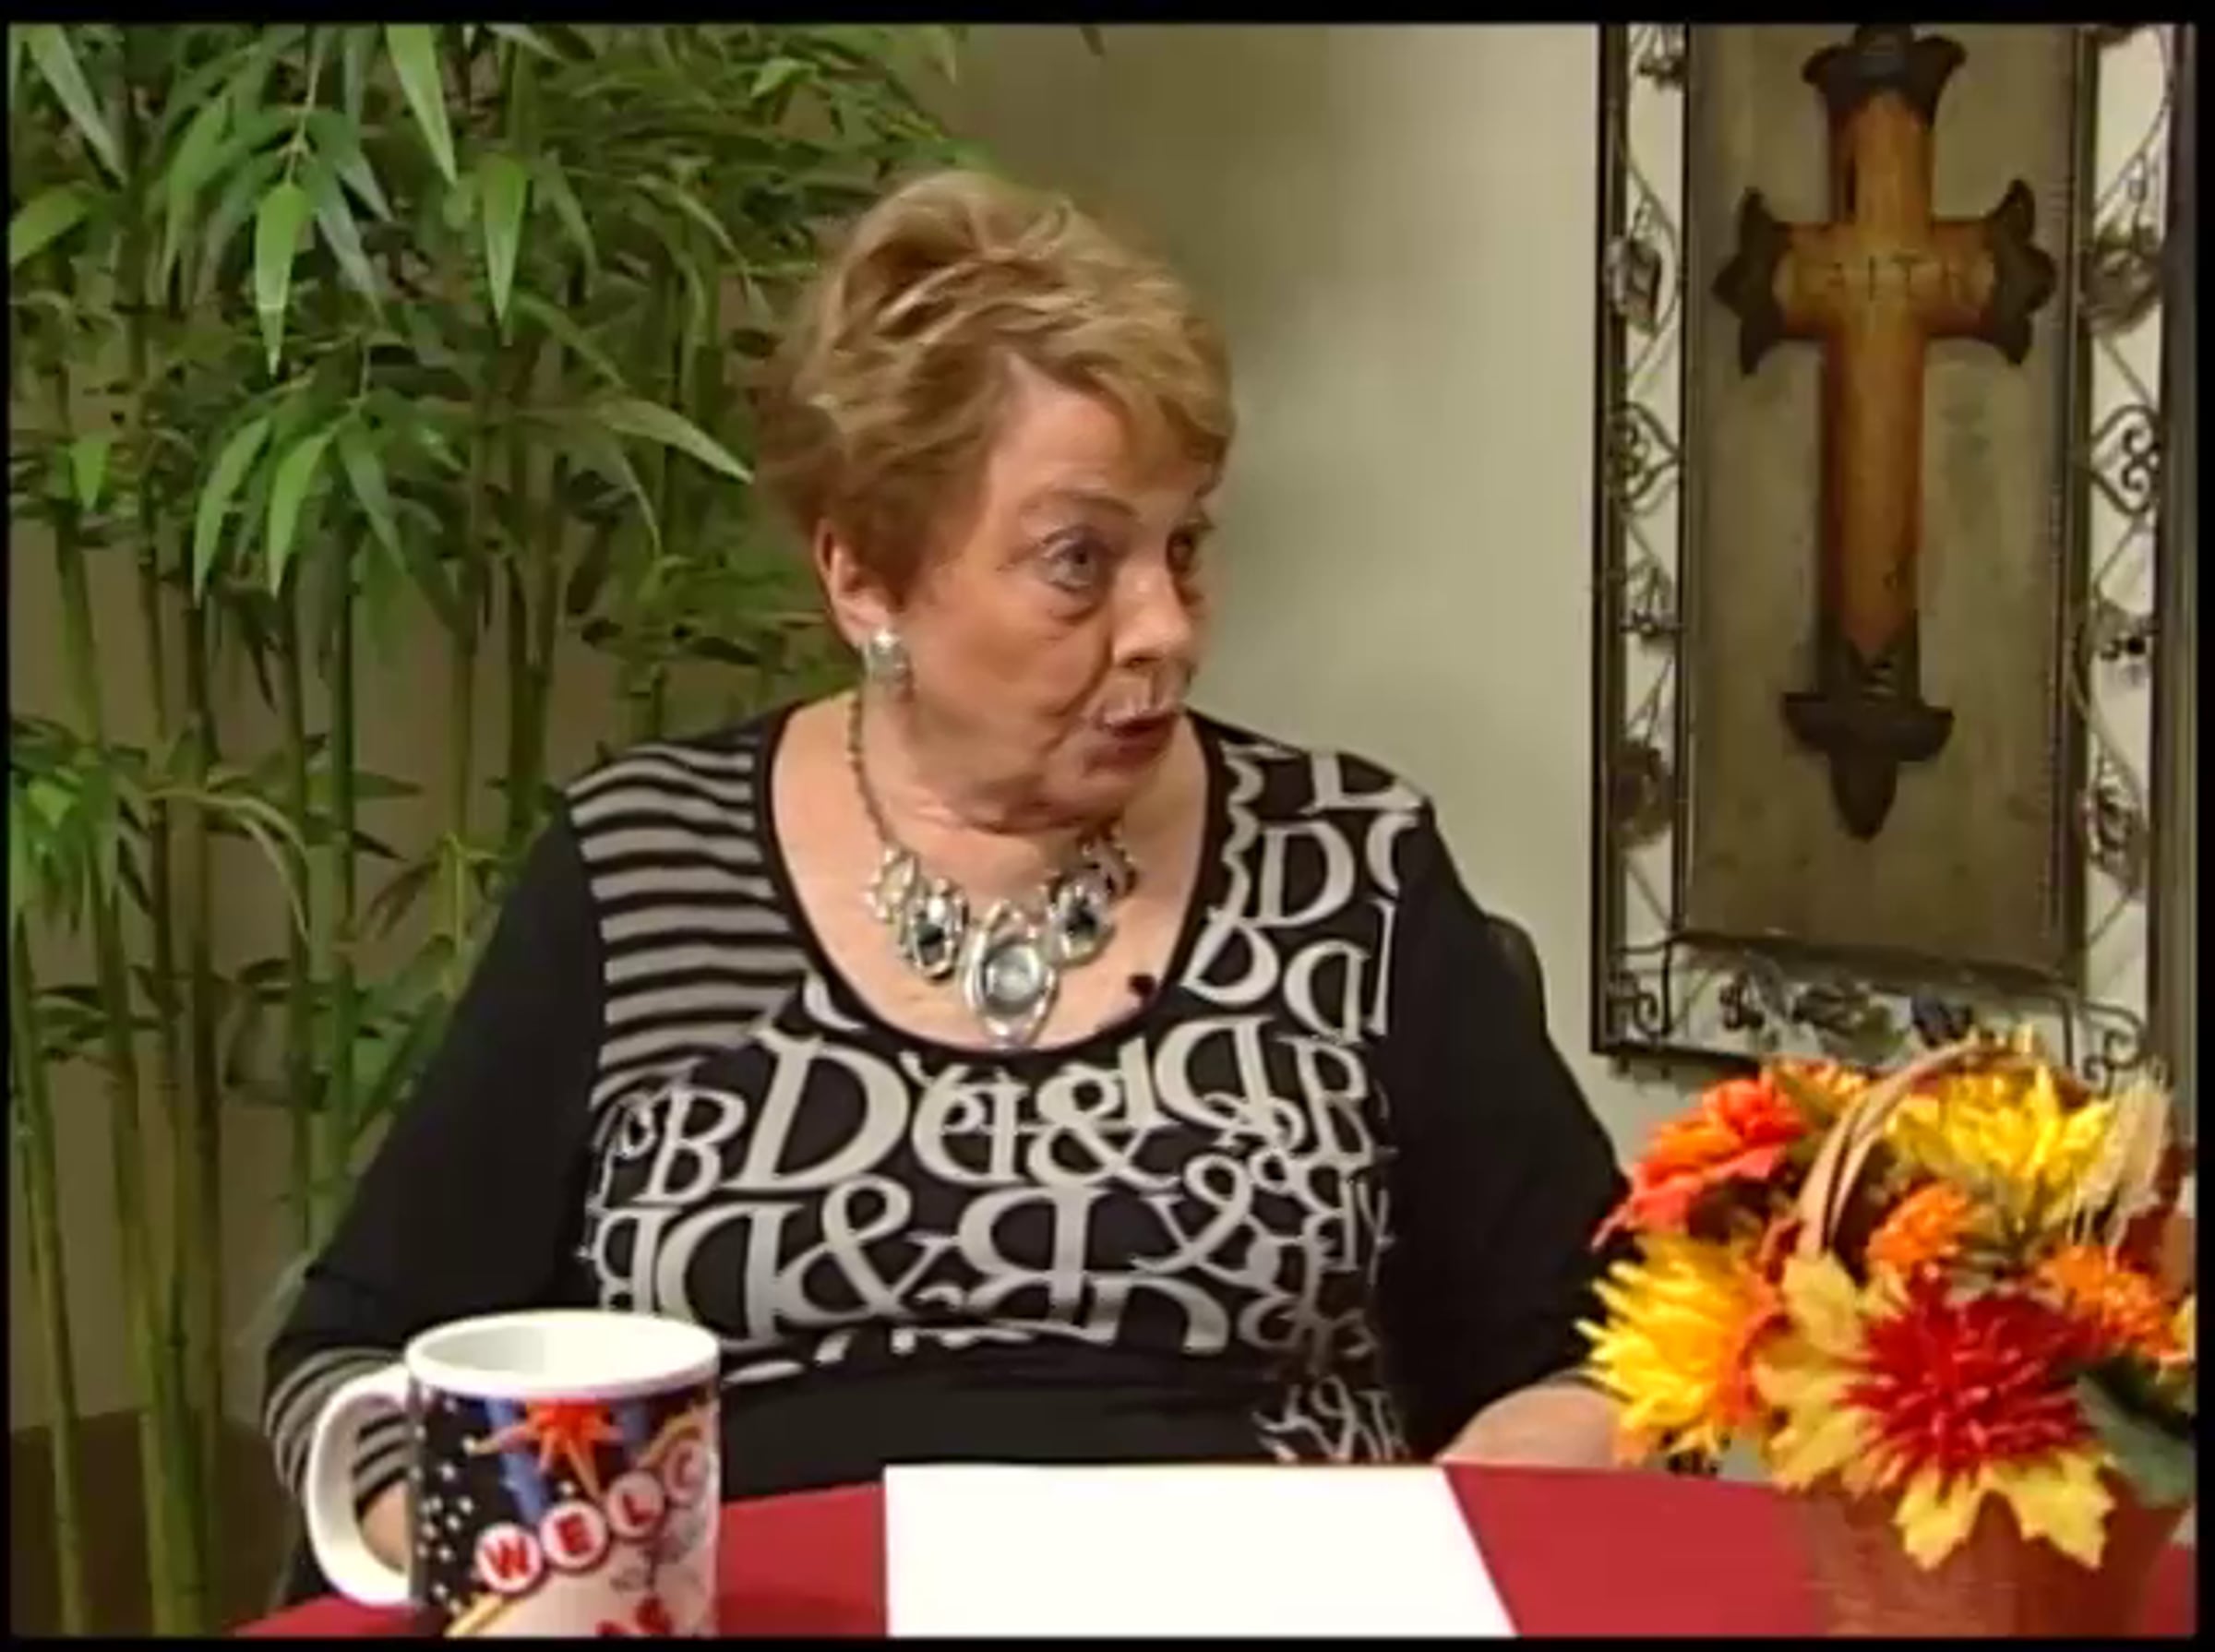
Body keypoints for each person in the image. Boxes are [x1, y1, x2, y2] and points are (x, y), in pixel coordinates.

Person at [262, 168, 1632, 1574]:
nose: (1165, 626)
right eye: (1079, 560)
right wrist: (548, 1575)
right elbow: (346, 1371)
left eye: (1182, 547)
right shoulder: (639, 866)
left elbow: (1621, 1342)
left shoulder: (1347, 862)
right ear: (865, 576)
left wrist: (1500, 1491)